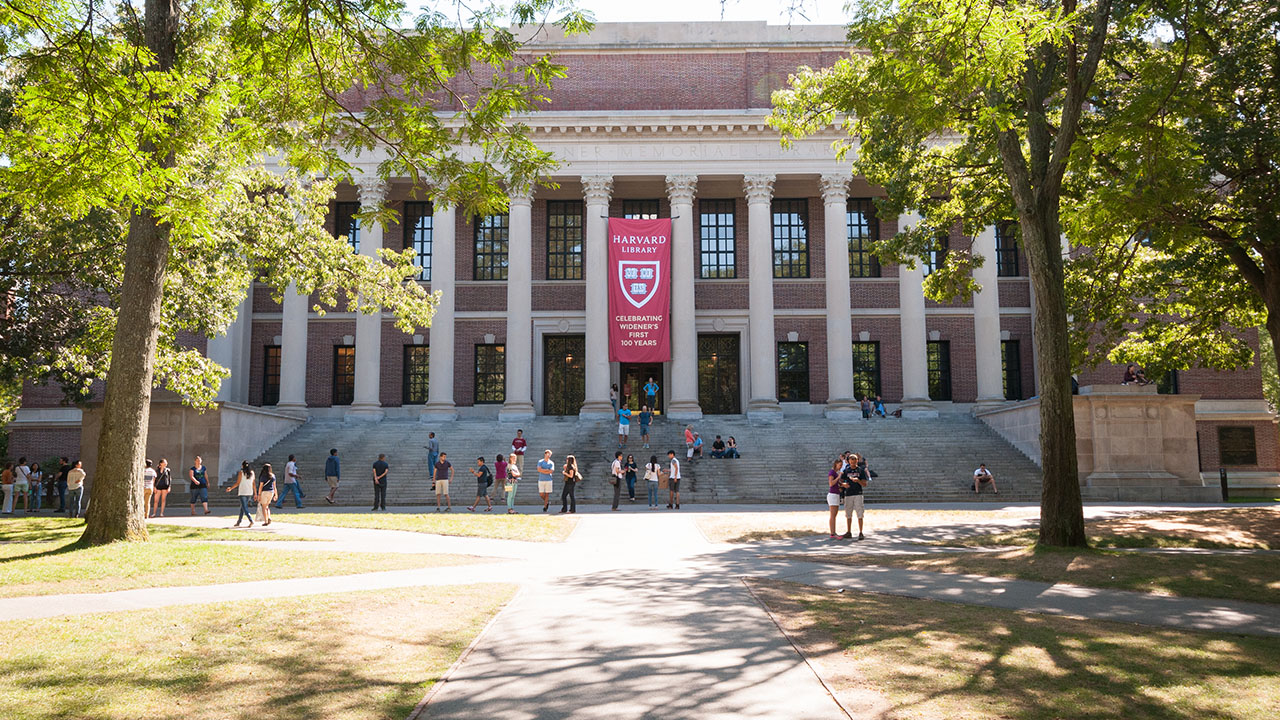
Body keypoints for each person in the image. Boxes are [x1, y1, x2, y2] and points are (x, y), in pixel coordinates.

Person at [840, 453, 868, 540]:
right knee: (848, 513)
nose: (853, 462)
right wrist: (843, 484)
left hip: (858, 493)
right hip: (848, 494)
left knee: (860, 513)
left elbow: (864, 484)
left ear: (857, 461)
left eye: (854, 460)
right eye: (851, 460)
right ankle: (849, 531)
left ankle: (860, 532)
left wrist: (858, 480)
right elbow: (840, 480)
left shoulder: (860, 470)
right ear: (848, 461)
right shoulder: (846, 470)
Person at [225, 460, 257, 528]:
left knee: (245, 507)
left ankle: (251, 520)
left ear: (242, 466)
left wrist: (231, 488)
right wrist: (255, 493)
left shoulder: (241, 473)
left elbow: (238, 483)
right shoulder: (252, 473)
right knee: (242, 507)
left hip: (243, 492)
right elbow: (254, 484)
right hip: (249, 492)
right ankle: (238, 522)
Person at [826, 458, 844, 539]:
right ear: (836, 464)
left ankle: (833, 532)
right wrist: (838, 477)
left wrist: (842, 485)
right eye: (840, 465)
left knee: (835, 515)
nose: (841, 467)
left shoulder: (836, 473)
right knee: (833, 515)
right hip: (832, 495)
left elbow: (837, 484)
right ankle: (833, 533)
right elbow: (831, 483)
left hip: (836, 494)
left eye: (841, 465)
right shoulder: (832, 472)